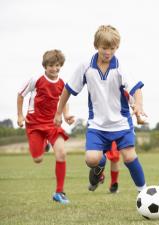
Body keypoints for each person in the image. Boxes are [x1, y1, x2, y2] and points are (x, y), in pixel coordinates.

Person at [54, 25, 147, 193]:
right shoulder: (85, 66)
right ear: (96, 45)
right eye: (104, 48)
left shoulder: (120, 67)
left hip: (121, 123)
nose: (108, 52)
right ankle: (99, 166)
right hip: (97, 125)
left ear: (117, 47)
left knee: (129, 156)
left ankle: (144, 192)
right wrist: (59, 112)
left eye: (112, 48)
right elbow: (67, 89)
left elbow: (136, 89)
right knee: (91, 159)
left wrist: (139, 105)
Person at [17, 49, 74, 204]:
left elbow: (64, 101)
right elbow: (20, 95)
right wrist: (20, 115)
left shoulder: (63, 84)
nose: (54, 69)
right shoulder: (35, 80)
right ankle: (44, 145)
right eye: (51, 65)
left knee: (62, 153)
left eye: (57, 65)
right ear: (45, 66)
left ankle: (59, 193)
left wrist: (66, 115)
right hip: (34, 124)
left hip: (52, 124)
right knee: (38, 159)